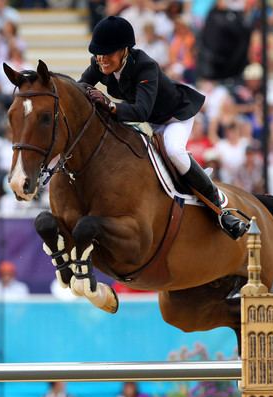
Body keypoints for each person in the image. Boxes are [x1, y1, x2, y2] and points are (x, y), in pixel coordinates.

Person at [78, 16, 247, 240]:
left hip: (175, 117)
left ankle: (219, 208)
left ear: (125, 51)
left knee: (174, 151)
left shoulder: (145, 66)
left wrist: (108, 104)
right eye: (99, 53)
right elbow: (81, 86)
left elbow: (141, 112)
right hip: (150, 121)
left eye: (107, 53)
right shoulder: (99, 63)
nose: (102, 59)